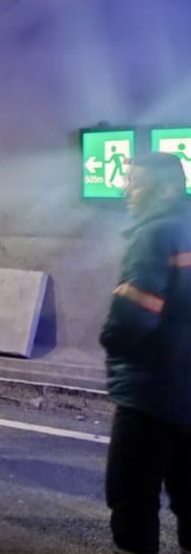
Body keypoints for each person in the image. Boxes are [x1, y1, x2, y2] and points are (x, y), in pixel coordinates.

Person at [100, 152, 191, 554]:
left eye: (134, 182)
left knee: (132, 497)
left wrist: (111, 337)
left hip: (149, 392)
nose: (125, 189)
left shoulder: (153, 234)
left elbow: (135, 313)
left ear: (166, 187)